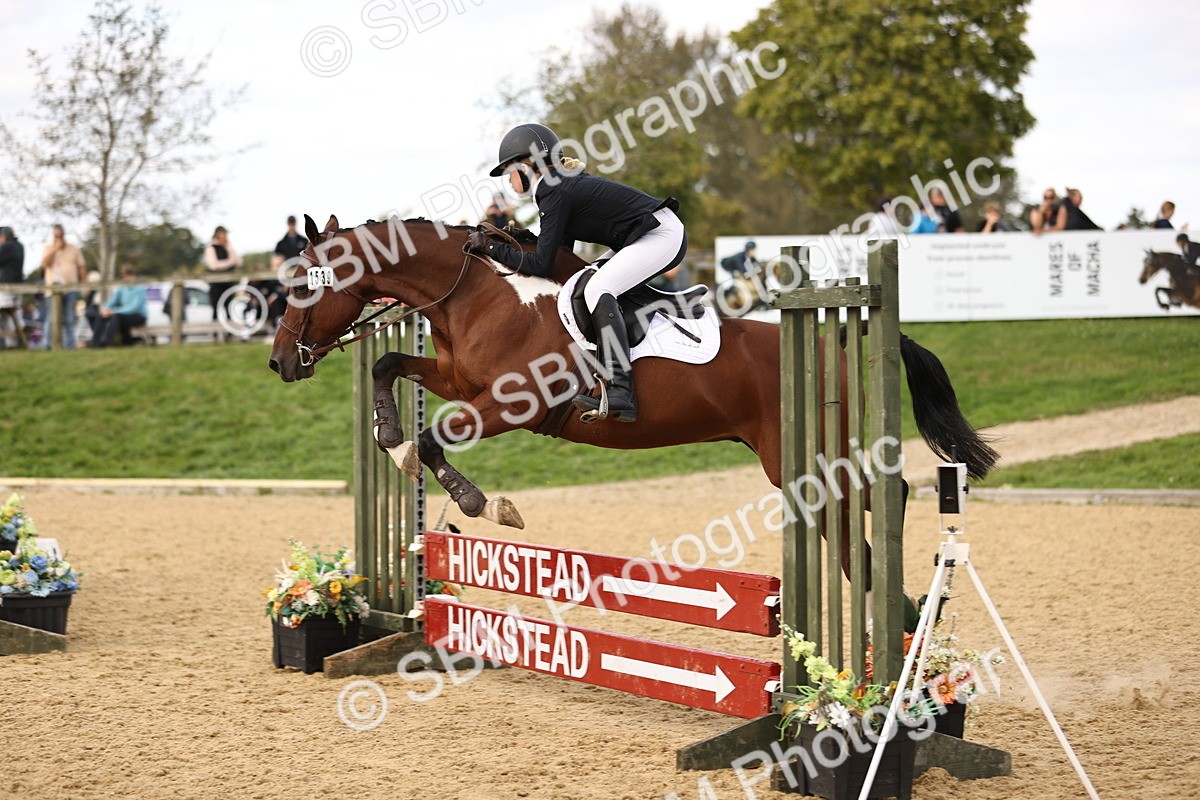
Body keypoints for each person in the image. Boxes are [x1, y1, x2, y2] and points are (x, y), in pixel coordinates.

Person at [465, 123, 687, 424]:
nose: (510, 181)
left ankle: (621, 389)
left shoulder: (554, 187)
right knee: (584, 284)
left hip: (661, 235)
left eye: (510, 170)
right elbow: (561, 255)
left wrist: (490, 249)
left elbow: (542, 263)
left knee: (598, 289)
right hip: (642, 236)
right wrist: (514, 241)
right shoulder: (557, 185)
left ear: (528, 165)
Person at [39, 224, 87, 349]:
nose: (59, 239)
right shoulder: (48, 248)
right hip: (52, 290)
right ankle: (48, 345)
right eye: (56, 236)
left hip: (71, 288)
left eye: (60, 236)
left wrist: (85, 285)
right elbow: (44, 265)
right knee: (50, 318)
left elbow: (81, 267)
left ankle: (70, 345)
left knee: (70, 318)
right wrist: (55, 250)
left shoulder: (74, 249)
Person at [268, 216, 308, 327]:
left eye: (293, 223)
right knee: (278, 298)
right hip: (284, 280)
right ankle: (279, 325)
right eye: (290, 223)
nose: (292, 225)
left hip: (300, 279)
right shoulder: (281, 244)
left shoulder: (303, 241)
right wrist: (285, 281)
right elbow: (276, 264)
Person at [92, 266, 148, 347]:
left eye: (126, 276)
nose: (124, 279)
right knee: (102, 315)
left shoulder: (140, 289)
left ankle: (107, 341)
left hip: (139, 316)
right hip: (125, 315)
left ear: (133, 276)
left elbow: (134, 308)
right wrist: (104, 309)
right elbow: (112, 301)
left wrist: (113, 311)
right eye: (123, 277)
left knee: (117, 316)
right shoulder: (122, 288)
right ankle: (95, 343)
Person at [204, 226, 242, 320]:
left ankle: (229, 333)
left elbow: (238, 262)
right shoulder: (211, 248)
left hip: (228, 284)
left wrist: (230, 248)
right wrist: (230, 262)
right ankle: (216, 333)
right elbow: (213, 265)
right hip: (216, 284)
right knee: (215, 310)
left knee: (229, 309)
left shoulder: (227, 247)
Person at [0, 227, 26, 348]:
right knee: (15, 315)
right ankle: (14, 343)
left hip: (6, 287)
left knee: (8, 315)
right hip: (18, 285)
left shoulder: (7, 247)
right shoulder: (19, 246)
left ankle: (12, 343)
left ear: (4, 236)